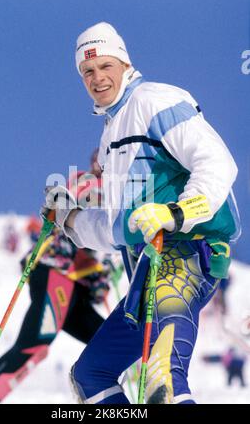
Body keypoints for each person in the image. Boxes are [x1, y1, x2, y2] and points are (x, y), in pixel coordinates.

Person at [43, 22, 241, 404]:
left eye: (106, 66)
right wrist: (69, 219)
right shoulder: (111, 134)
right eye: (88, 71)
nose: (97, 77)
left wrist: (178, 211)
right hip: (145, 275)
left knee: (161, 381)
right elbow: (121, 228)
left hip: (184, 254)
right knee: (91, 374)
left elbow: (217, 162)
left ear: (124, 64)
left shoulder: (155, 100)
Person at [0, 154, 113, 403]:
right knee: (35, 344)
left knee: (111, 342)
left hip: (76, 287)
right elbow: (89, 229)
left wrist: (102, 277)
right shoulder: (94, 186)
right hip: (58, 272)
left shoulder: (102, 187)